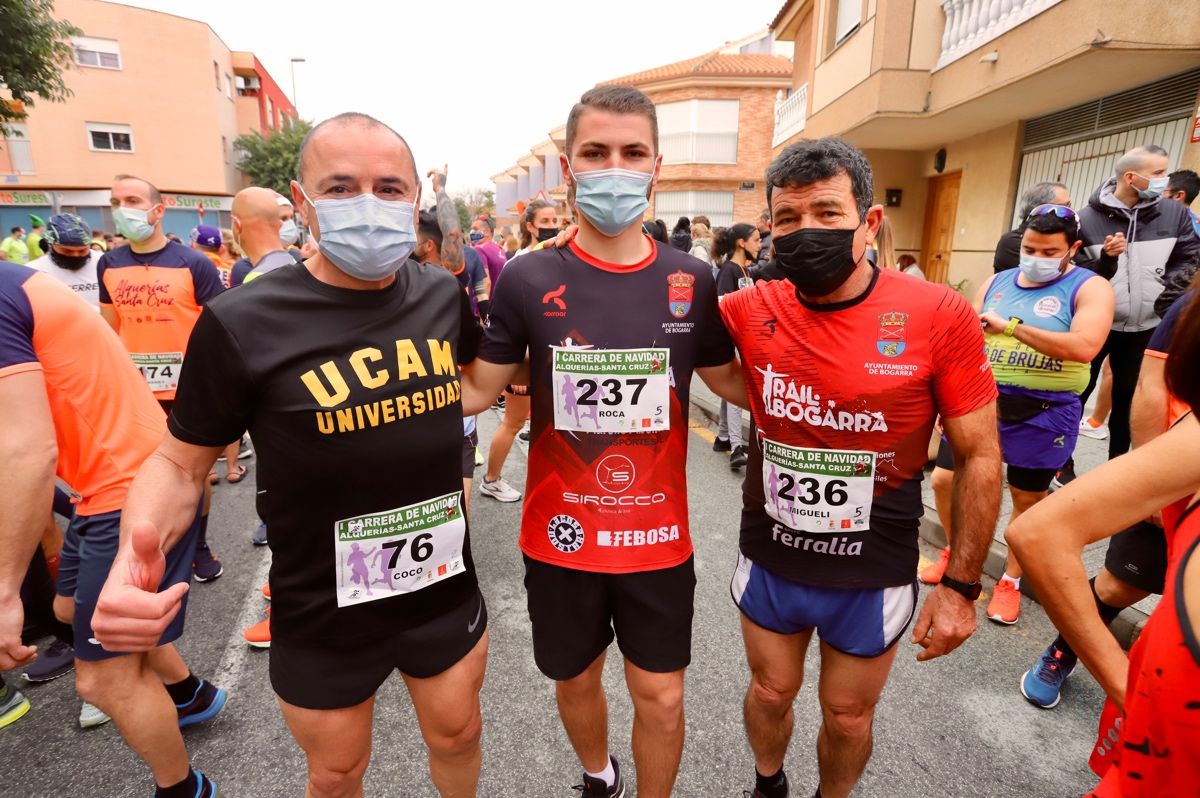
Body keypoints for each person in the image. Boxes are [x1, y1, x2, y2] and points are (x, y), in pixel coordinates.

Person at [92, 113, 488, 798]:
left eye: (389, 188)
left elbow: (482, 384)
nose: (369, 203)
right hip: (321, 605)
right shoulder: (243, 320)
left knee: (458, 735)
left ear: (416, 196)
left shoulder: (439, 294)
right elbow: (179, 462)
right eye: (341, 187)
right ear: (301, 203)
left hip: (441, 588)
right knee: (336, 772)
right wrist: (134, 551)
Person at [460, 85, 746, 798]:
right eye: (596, 153)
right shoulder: (529, 275)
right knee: (576, 679)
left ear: (655, 165)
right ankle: (598, 775)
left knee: (664, 696)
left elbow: (735, 384)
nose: (613, 167)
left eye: (631, 153)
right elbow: (474, 390)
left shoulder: (694, 278)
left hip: (656, 535)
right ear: (568, 165)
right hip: (560, 535)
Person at [718, 138, 1001, 798]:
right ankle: (768, 786)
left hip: (873, 564)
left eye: (826, 212)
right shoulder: (749, 307)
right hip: (773, 554)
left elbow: (982, 453)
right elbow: (654, 330)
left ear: (869, 222)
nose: (805, 231)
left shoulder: (937, 314)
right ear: (770, 228)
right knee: (769, 690)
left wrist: (960, 588)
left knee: (848, 716)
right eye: (787, 219)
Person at [0, 258, 224, 795]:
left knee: (102, 679)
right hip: (104, 482)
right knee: (65, 611)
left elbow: (28, 450)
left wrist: (5, 589)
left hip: (129, 485)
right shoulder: (15, 282)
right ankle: (188, 693)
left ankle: (184, 788)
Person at [1007, 293, 1200, 796]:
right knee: (1117, 586)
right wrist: (1129, 689)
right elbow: (1038, 533)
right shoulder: (1193, 435)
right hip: (1162, 758)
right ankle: (1062, 652)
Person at [925, 204, 1114, 625]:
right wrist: (946, 397)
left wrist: (1010, 328)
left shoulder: (1091, 287)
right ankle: (958, 556)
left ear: (1073, 248)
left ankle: (1010, 581)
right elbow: (967, 341)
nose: (1036, 257)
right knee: (944, 479)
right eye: (1030, 247)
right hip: (982, 402)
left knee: (1025, 498)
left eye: (1049, 251)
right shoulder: (998, 281)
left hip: (1044, 411)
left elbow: (1085, 346)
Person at [100, 175, 226, 583]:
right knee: (143, 473)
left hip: (189, 388)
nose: (123, 208)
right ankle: (146, 551)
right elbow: (110, 329)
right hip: (136, 390)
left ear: (158, 209)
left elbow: (220, 325)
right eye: (117, 201)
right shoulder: (109, 263)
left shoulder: (194, 263)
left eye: (133, 199)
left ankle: (199, 545)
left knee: (196, 474)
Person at [1072, 145, 1200, 465]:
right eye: (1158, 173)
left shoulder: (1176, 214)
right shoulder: (1085, 219)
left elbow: (1190, 260)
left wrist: (1164, 300)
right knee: (1077, 393)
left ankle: (1117, 465)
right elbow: (1073, 275)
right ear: (1131, 177)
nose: (1165, 180)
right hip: (1099, 325)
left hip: (1146, 325)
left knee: (1129, 398)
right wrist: (1106, 260)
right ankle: (1062, 463)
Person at [477, 200, 558, 504]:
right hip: (525, 361)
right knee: (513, 422)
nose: (552, 223)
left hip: (554, 362)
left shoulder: (560, 257)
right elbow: (512, 320)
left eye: (555, 217)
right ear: (530, 226)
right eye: (545, 219)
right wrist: (520, 366)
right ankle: (491, 480)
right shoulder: (520, 264)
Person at [713, 222, 762, 471]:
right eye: (755, 239)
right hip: (732, 339)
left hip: (745, 339)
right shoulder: (728, 271)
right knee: (736, 391)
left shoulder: (747, 272)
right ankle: (736, 447)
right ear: (741, 243)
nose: (760, 243)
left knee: (732, 390)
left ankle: (722, 437)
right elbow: (722, 305)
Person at [26, 213, 103, 310]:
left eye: (82, 250)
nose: (76, 255)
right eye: (67, 251)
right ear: (51, 244)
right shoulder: (32, 271)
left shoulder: (104, 263)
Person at [994, 182, 1070, 273]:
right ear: (1040, 209)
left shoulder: (1064, 236)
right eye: (1065, 206)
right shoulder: (1012, 241)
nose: (1070, 211)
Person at [229, 187, 296, 288]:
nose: (289, 223)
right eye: (284, 218)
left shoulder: (254, 277)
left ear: (237, 225)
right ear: (280, 223)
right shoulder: (294, 262)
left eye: (291, 218)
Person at [470, 214, 507, 289]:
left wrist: (482, 300)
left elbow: (485, 282)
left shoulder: (480, 249)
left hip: (486, 299)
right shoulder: (500, 250)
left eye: (475, 229)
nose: (472, 232)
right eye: (471, 229)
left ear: (487, 232)